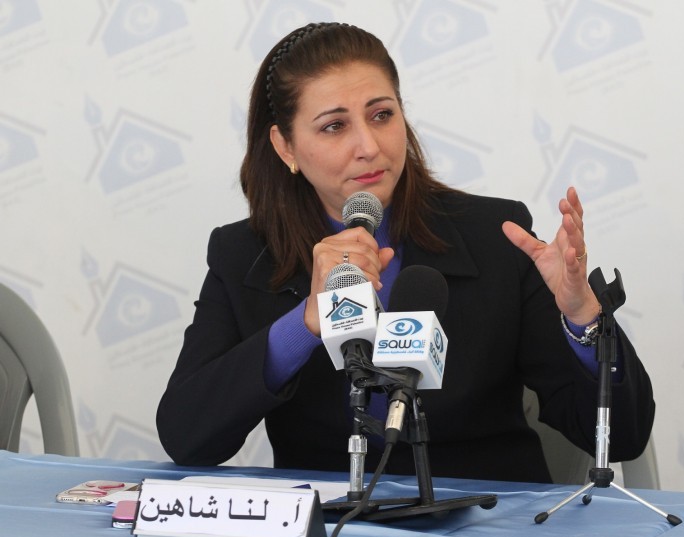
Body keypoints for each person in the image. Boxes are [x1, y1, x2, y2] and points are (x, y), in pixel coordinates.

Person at [156, 22, 655, 483]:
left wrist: (583, 318)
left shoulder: (493, 235)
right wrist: (304, 323)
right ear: (286, 146)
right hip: (332, 527)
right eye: (334, 126)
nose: (368, 146)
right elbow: (187, 437)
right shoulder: (242, 255)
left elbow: (623, 437)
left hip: (489, 522)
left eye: (381, 115)